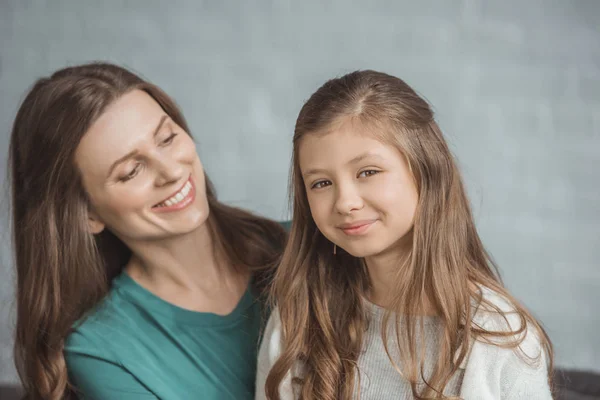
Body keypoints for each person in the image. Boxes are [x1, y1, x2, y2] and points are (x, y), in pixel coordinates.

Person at [256, 70, 554, 399]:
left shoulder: (499, 338)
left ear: (426, 173)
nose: (345, 202)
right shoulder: (298, 319)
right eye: (321, 183)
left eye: (368, 172)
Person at [9, 62, 286, 399]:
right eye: (131, 171)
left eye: (166, 138)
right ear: (88, 215)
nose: (170, 171)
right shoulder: (104, 350)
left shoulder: (310, 246)